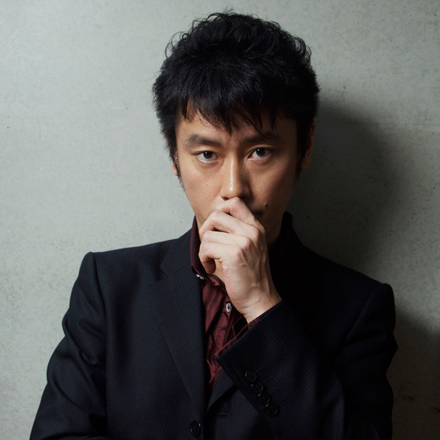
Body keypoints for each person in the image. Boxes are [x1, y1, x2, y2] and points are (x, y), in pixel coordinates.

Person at [30, 11, 397, 440]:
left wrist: (262, 305)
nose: (233, 188)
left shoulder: (360, 308)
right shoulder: (108, 286)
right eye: (207, 155)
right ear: (174, 156)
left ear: (305, 147)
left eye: (260, 152)